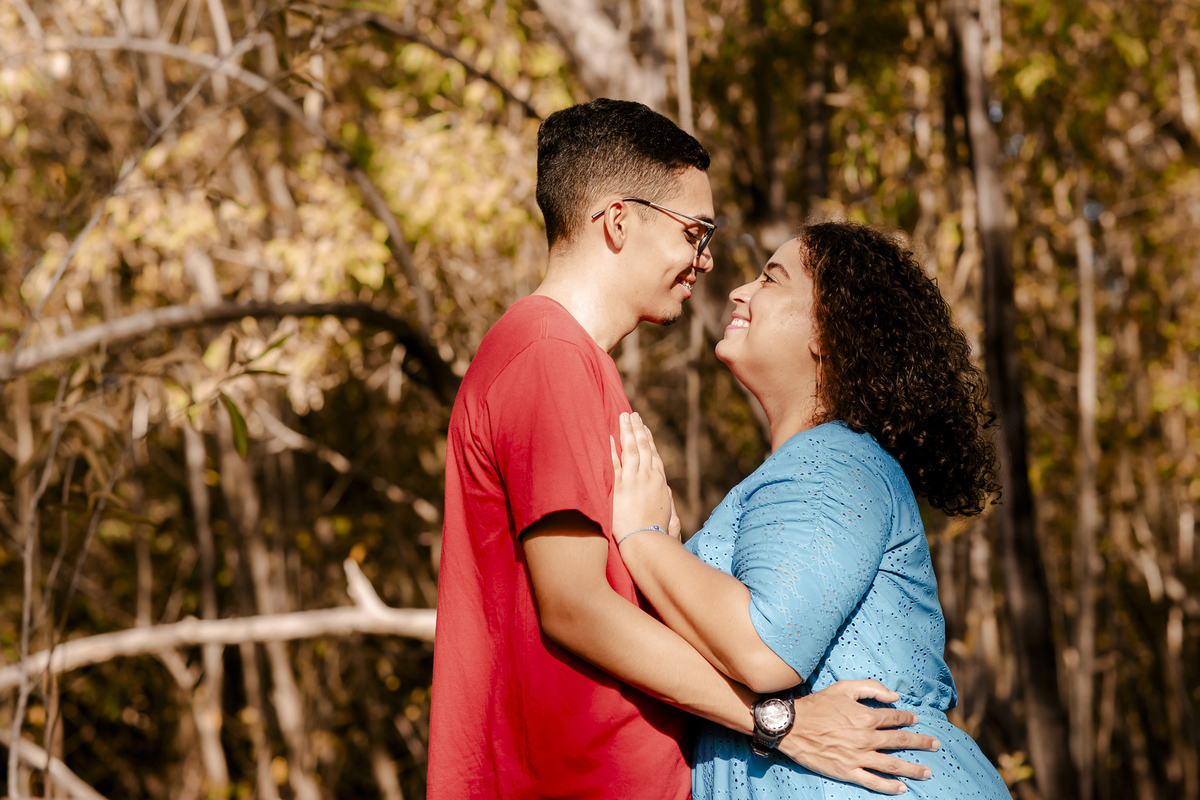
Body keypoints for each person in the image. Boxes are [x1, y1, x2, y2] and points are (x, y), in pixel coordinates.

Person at [428, 101, 938, 800]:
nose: (706, 260)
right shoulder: (548, 355)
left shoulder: (573, 363)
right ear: (618, 221)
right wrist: (779, 722)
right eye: (694, 233)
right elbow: (574, 605)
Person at [610, 221, 1011, 799]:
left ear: (827, 332)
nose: (739, 291)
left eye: (770, 279)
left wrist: (644, 539)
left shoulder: (832, 462)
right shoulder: (814, 465)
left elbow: (764, 648)